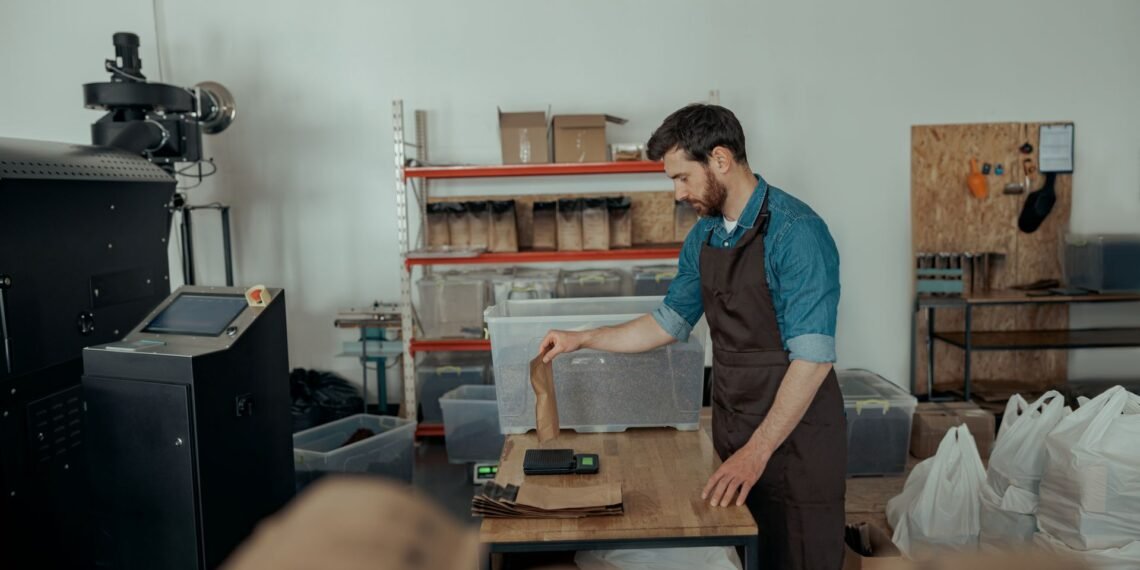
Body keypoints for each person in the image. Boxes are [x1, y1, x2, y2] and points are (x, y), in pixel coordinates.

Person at [538, 104, 846, 569]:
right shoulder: (704, 237)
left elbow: (813, 360)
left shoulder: (796, 233)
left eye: (682, 178)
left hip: (795, 443)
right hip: (734, 426)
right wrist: (582, 338)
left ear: (720, 160)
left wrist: (756, 452)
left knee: (796, 555)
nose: (678, 193)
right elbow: (668, 323)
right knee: (743, 553)